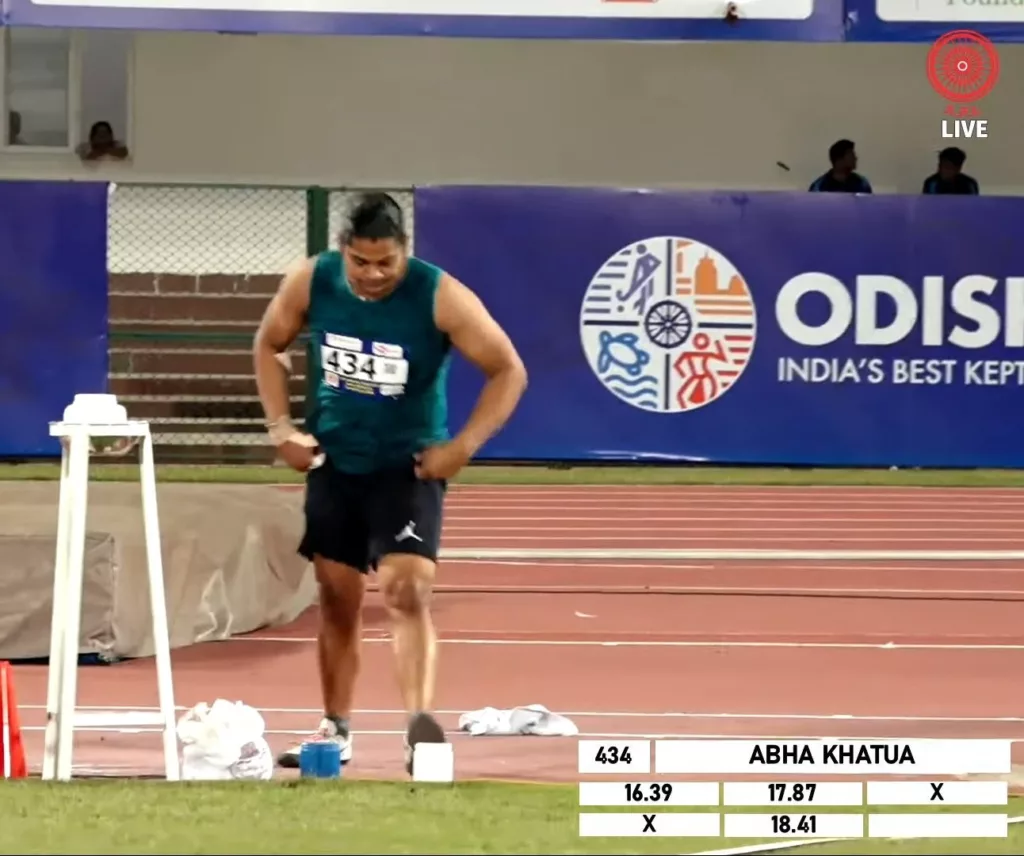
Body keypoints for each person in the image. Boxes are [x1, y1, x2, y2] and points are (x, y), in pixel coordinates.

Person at [252, 191, 527, 774]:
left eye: (386, 263)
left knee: (406, 591)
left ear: (405, 253)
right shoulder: (311, 280)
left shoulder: (439, 295)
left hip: (408, 465)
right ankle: (337, 727)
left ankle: (421, 728)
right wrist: (282, 429)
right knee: (336, 599)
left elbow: (508, 369)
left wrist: (462, 448)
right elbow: (269, 344)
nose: (374, 275)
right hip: (336, 461)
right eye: (361, 262)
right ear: (343, 253)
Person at [808, 139, 872, 194]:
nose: (855, 158)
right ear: (839, 160)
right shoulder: (820, 188)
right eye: (851, 155)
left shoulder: (861, 184)